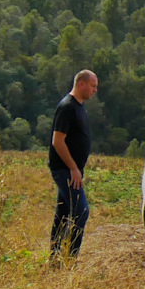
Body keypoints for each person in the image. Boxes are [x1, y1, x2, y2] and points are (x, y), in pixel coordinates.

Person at [48, 69, 99, 262]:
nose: (95, 90)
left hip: (72, 170)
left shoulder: (79, 106)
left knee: (62, 213)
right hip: (65, 170)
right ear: (81, 84)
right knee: (81, 211)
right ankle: (70, 259)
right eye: (93, 86)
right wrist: (73, 168)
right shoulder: (67, 107)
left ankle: (54, 257)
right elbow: (57, 141)